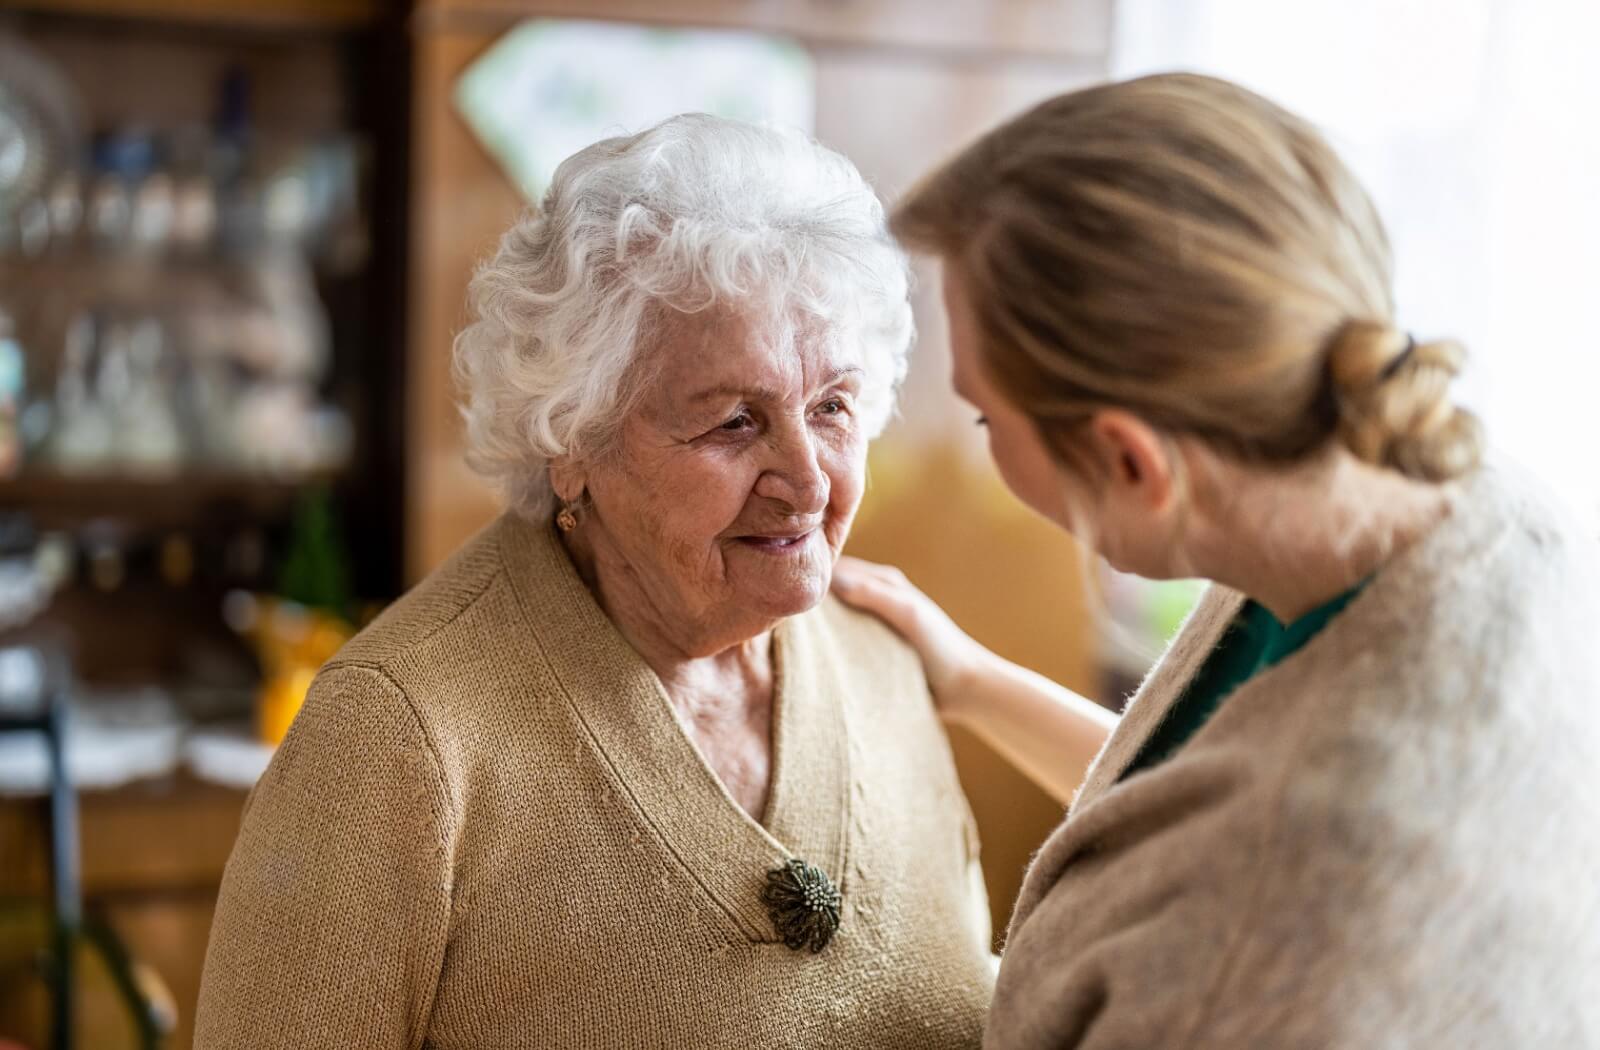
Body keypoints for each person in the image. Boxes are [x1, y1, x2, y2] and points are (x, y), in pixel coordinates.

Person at [195, 114, 995, 1049]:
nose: (809, 481)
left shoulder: (886, 664)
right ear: (572, 442)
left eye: (832, 407)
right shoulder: (396, 742)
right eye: (735, 421)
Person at [834, 73, 1600, 1047]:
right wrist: (972, 682)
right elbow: (1193, 804)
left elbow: (1242, 869)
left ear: (1128, 460)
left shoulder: (1277, 937)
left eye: (985, 414)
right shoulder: (1449, 497)